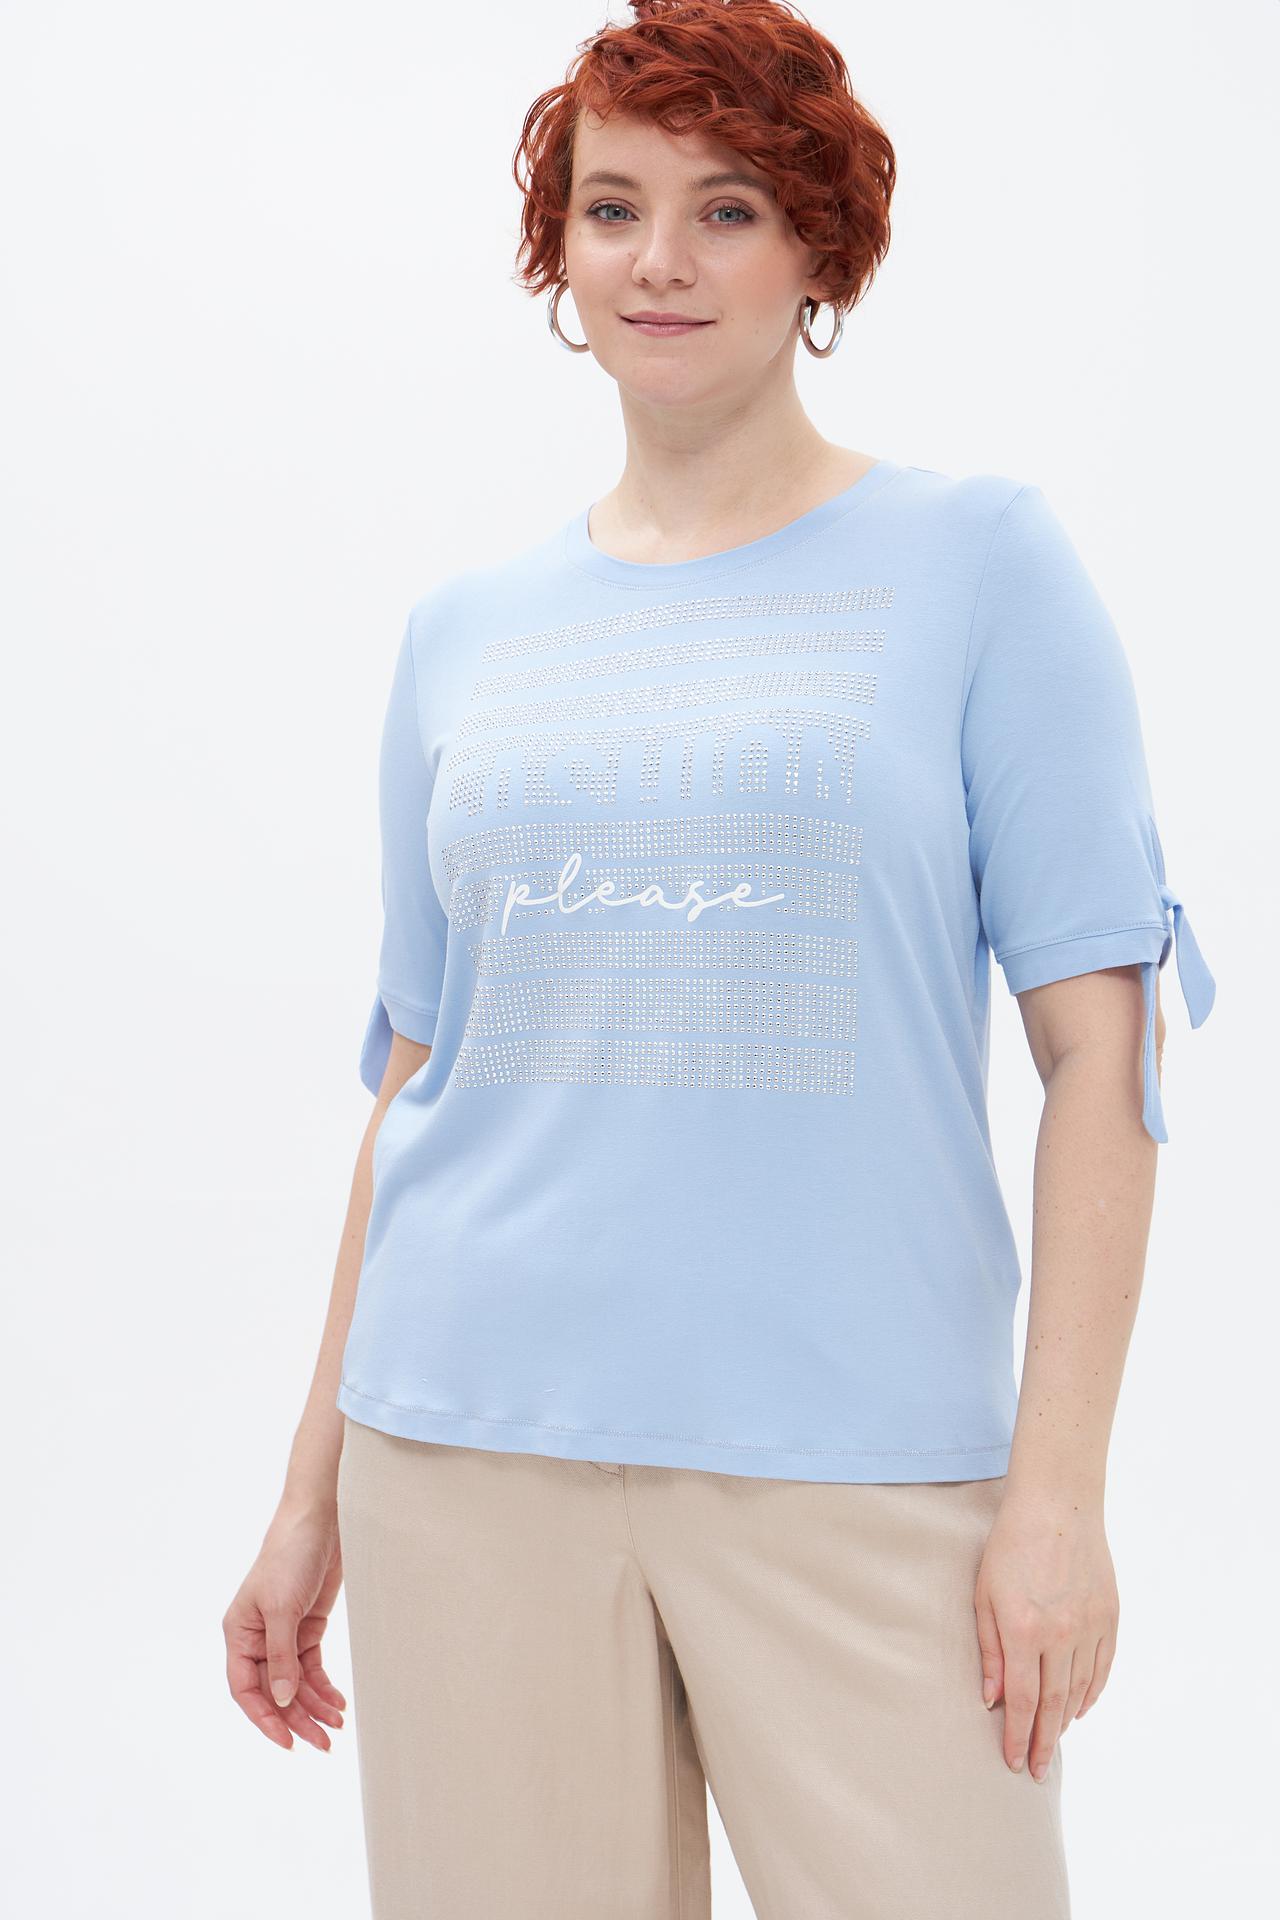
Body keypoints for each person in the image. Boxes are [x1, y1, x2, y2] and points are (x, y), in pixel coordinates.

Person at [222, 3, 1217, 1914]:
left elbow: (1106, 1054)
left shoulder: (981, 566)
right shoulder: (466, 633)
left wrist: (1059, 1499)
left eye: (729, 207)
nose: (659, 260)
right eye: (612, 208)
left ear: (820, 247)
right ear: (559, 252)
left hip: (860, 1465)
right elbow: (422, 1072)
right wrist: (306, 1493)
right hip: (463, 1454)